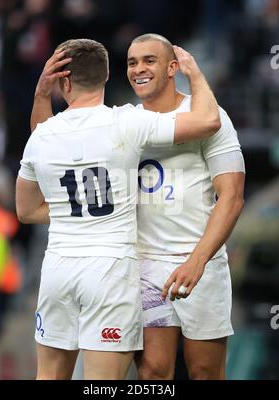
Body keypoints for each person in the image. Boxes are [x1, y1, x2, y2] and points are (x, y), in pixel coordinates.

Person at [16, 38, 220, 380]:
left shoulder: (42, 136)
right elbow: (208, 121)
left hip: (58, 270)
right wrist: (194, 76)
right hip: (110, 271)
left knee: (49, 376)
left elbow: (25, 209)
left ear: (62, 81)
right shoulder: (126, 122)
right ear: (107, 75)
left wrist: (40, 95)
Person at [126, 34, 245, 380]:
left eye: (149, 60)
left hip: (201, 262)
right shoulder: (123, 122)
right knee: (153, 374)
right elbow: (46, 135)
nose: (139, 69)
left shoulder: (210, 115)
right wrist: (43, 94)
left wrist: (197, 260)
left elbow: (233, 196)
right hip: (145, 263)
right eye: (132, 62)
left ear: (172, 68)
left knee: (206, 373)